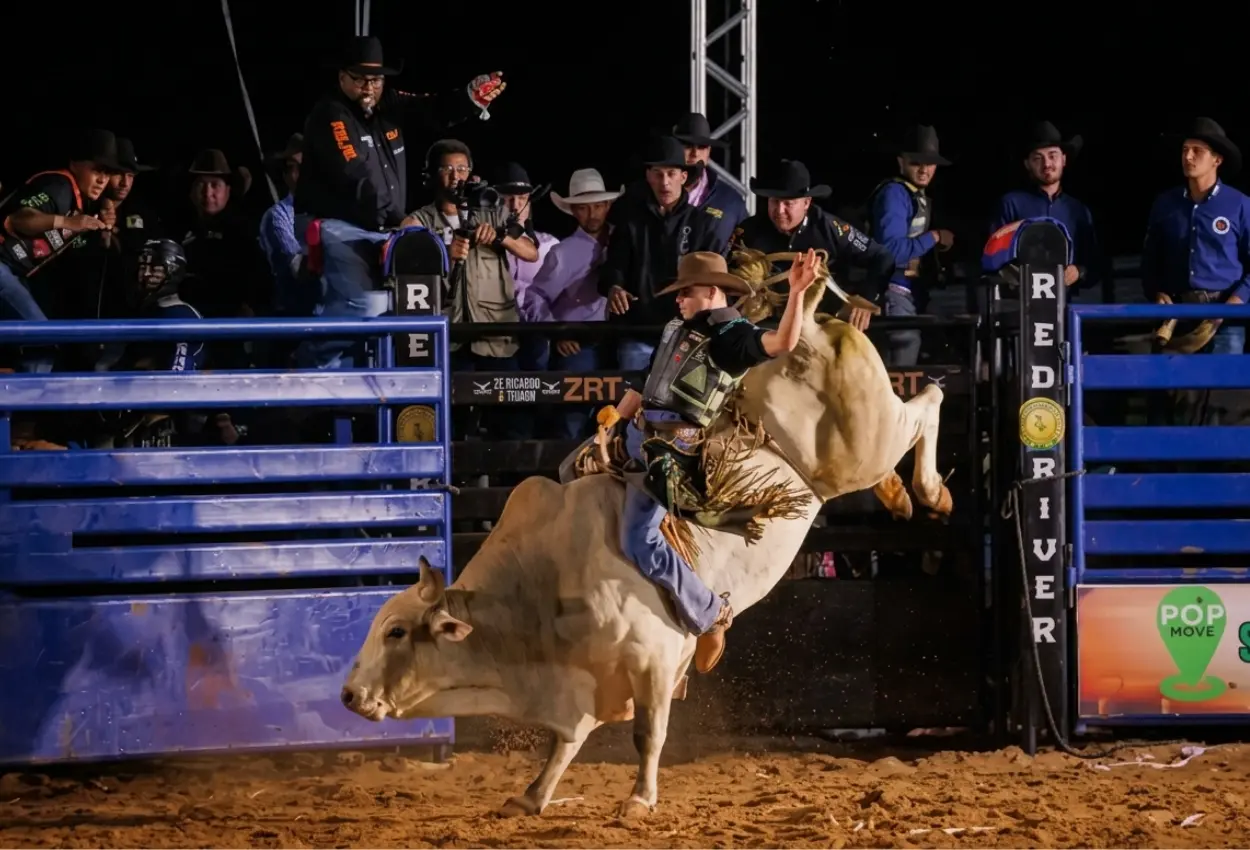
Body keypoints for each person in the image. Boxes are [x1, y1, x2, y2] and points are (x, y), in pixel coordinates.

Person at [596, 248, 820, 674]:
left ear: (713, 292)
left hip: (674, 447)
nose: (679, 299)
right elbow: (650, 380)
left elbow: (781, 342)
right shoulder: (676, 327)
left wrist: (796, 294)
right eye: (679, 293)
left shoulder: (732, 336)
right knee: (574, 471)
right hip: (640, 430)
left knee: (638, 540)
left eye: (687, 292)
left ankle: (711, 611)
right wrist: (614, 419)